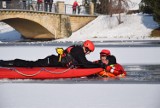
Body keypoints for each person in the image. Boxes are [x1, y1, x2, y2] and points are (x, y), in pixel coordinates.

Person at [0, 40, 101, 68]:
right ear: (86, 48)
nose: (88, 53)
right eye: (89, 51)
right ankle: (4, 63)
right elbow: (85, 64)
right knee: (31, 64)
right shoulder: (79, 51)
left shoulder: (77, 49)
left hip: (53, 61)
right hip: (51, 61)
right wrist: (98, 65)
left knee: (32, 63)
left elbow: (83, 62)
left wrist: (95, 64)